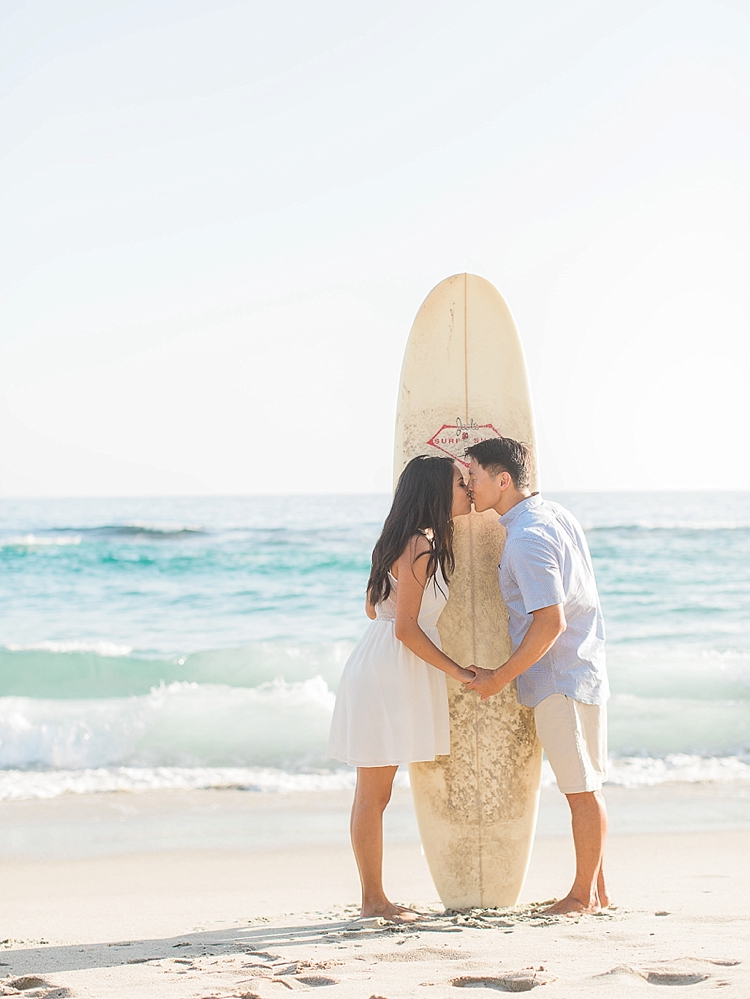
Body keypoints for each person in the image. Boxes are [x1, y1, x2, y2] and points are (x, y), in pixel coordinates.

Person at [465, 437, 610, 915]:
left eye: (475, 476)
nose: (468, 485)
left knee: (580, 790)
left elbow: (550, 621)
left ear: (502, 480)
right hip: (585, 668)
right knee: (587, 786)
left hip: (557, 680)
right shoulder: (556, 514)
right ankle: (597, 892)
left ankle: (579, 897)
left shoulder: (526, 539)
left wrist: (499, 678)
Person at [327, 455, 473, 921]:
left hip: (379, 663)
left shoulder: (398, 540)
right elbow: (407, 630)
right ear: (435, 491)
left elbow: (375, 612)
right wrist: (461, 672)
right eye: (459, 483)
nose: (467, 489)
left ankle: (375, 898)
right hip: (390, 670)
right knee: (373, 794)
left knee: (373, 793)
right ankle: (374, 902)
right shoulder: (420, 546)